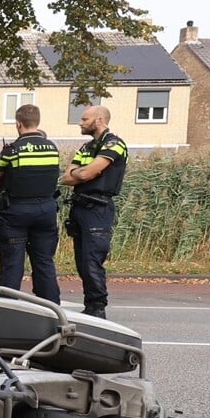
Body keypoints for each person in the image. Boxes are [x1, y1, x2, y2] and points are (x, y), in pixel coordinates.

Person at [61, 104, 128, 318]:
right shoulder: (86, 147)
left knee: (92, 260)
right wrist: (84, 174)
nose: (80, 123)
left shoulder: (115, 144)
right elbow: (68, 177)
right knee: (81, 261)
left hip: (98, 207)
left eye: (84, 119)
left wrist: (84, 173)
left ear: (99, 120)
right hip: (80, 206)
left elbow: (87, 173)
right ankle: (90, 305)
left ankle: (98, 307)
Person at [0, 104, 63, 302]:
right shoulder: (52, 149)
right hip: (46, 211)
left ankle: (5, 309)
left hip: (17, 211)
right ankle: (51, 308)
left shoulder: (12, 150)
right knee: (44, 262)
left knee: (13, 263)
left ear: (18, 124)